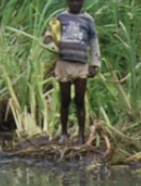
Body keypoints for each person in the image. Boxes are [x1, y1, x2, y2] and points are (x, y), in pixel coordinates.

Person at [43, 0, 100, 144]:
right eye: (72, 1)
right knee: (65, 100)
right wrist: (49, 40)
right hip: (64, 63)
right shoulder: (61, 17)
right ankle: (64, 133)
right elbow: (49, 33)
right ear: (67, 2)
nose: (75, 4)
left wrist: (94, 64)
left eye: (78, 1)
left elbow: (94, 41)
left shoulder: (88, 20)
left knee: (80, 101)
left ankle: (81, 135)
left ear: (83, 2)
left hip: (81, 65)